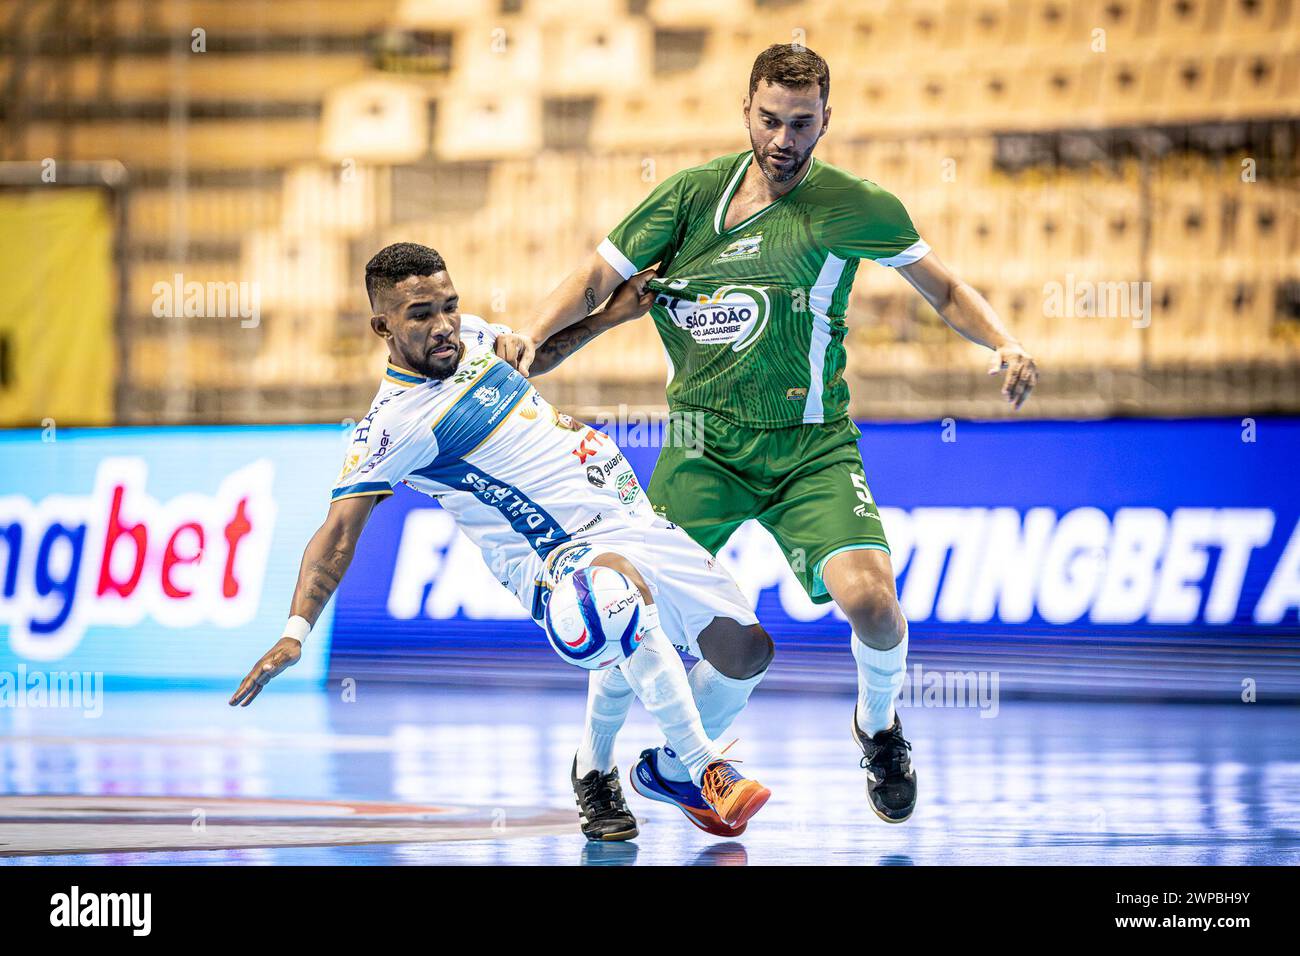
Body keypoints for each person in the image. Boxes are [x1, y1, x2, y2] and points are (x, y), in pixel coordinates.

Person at [494, 43, 1039, 824]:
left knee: (874, 604)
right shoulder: (687, 198)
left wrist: (1005, 343)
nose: (785, 139)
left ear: (826, 120)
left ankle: (877, 729)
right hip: (701, 446)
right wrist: (529, 331)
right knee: (626, 608)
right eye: (771, 120)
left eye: (803, 123)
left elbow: (944, 286)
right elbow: (595, 279)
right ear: (746, 111)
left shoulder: (854, 205)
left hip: (810, 445)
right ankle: (594, 768)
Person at [229, 242, 772, 841]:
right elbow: (337, 536)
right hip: (552, 556)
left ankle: (631, 771)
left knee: (745, 653)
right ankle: (704, 766)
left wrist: (612, 316)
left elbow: (537, 356)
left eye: (449, 307)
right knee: (615, 599)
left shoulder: (475, 339)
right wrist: (294, 632)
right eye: (420, 315)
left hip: (630, 516)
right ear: (380, 325)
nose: (443, 327)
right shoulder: (391, 427)